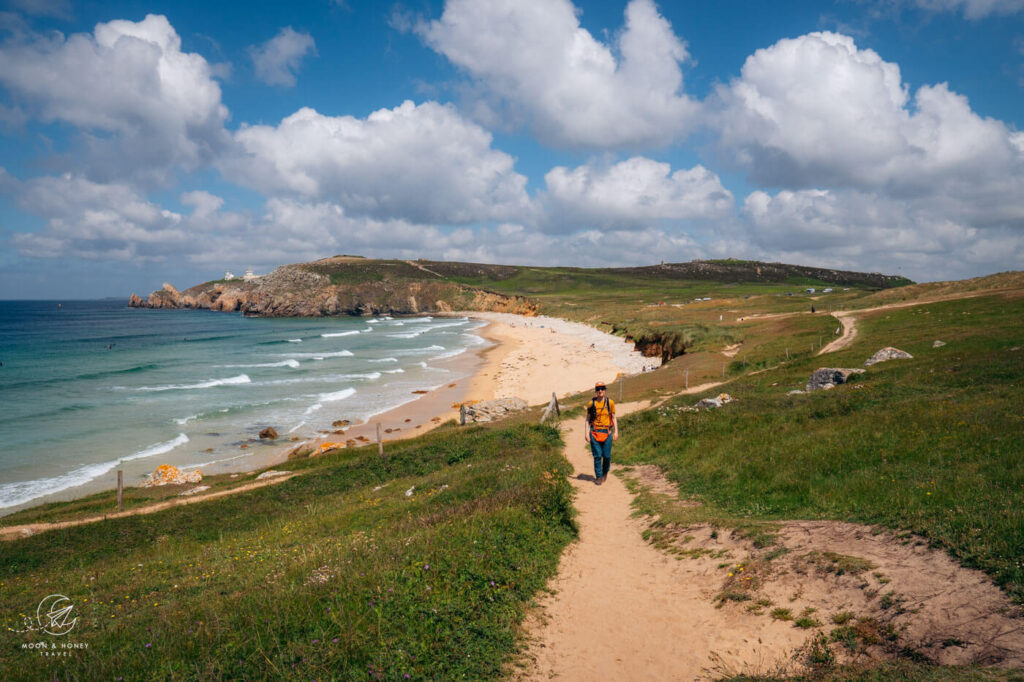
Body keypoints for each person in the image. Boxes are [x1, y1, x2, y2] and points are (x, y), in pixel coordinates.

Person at [584, 381, 618, 485]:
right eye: (598, 389)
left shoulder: (610, 403)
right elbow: (587, 419)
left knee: (606, 456)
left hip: (607, 432)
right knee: (597, 456)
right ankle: (599, 477)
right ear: (595, 391)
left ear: (605, 390)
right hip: (594, 432)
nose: (600, 391)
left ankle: (605, 473)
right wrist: (586, 433)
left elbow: (614, 417)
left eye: (602, 388)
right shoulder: (591, 403)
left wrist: (616, 431)